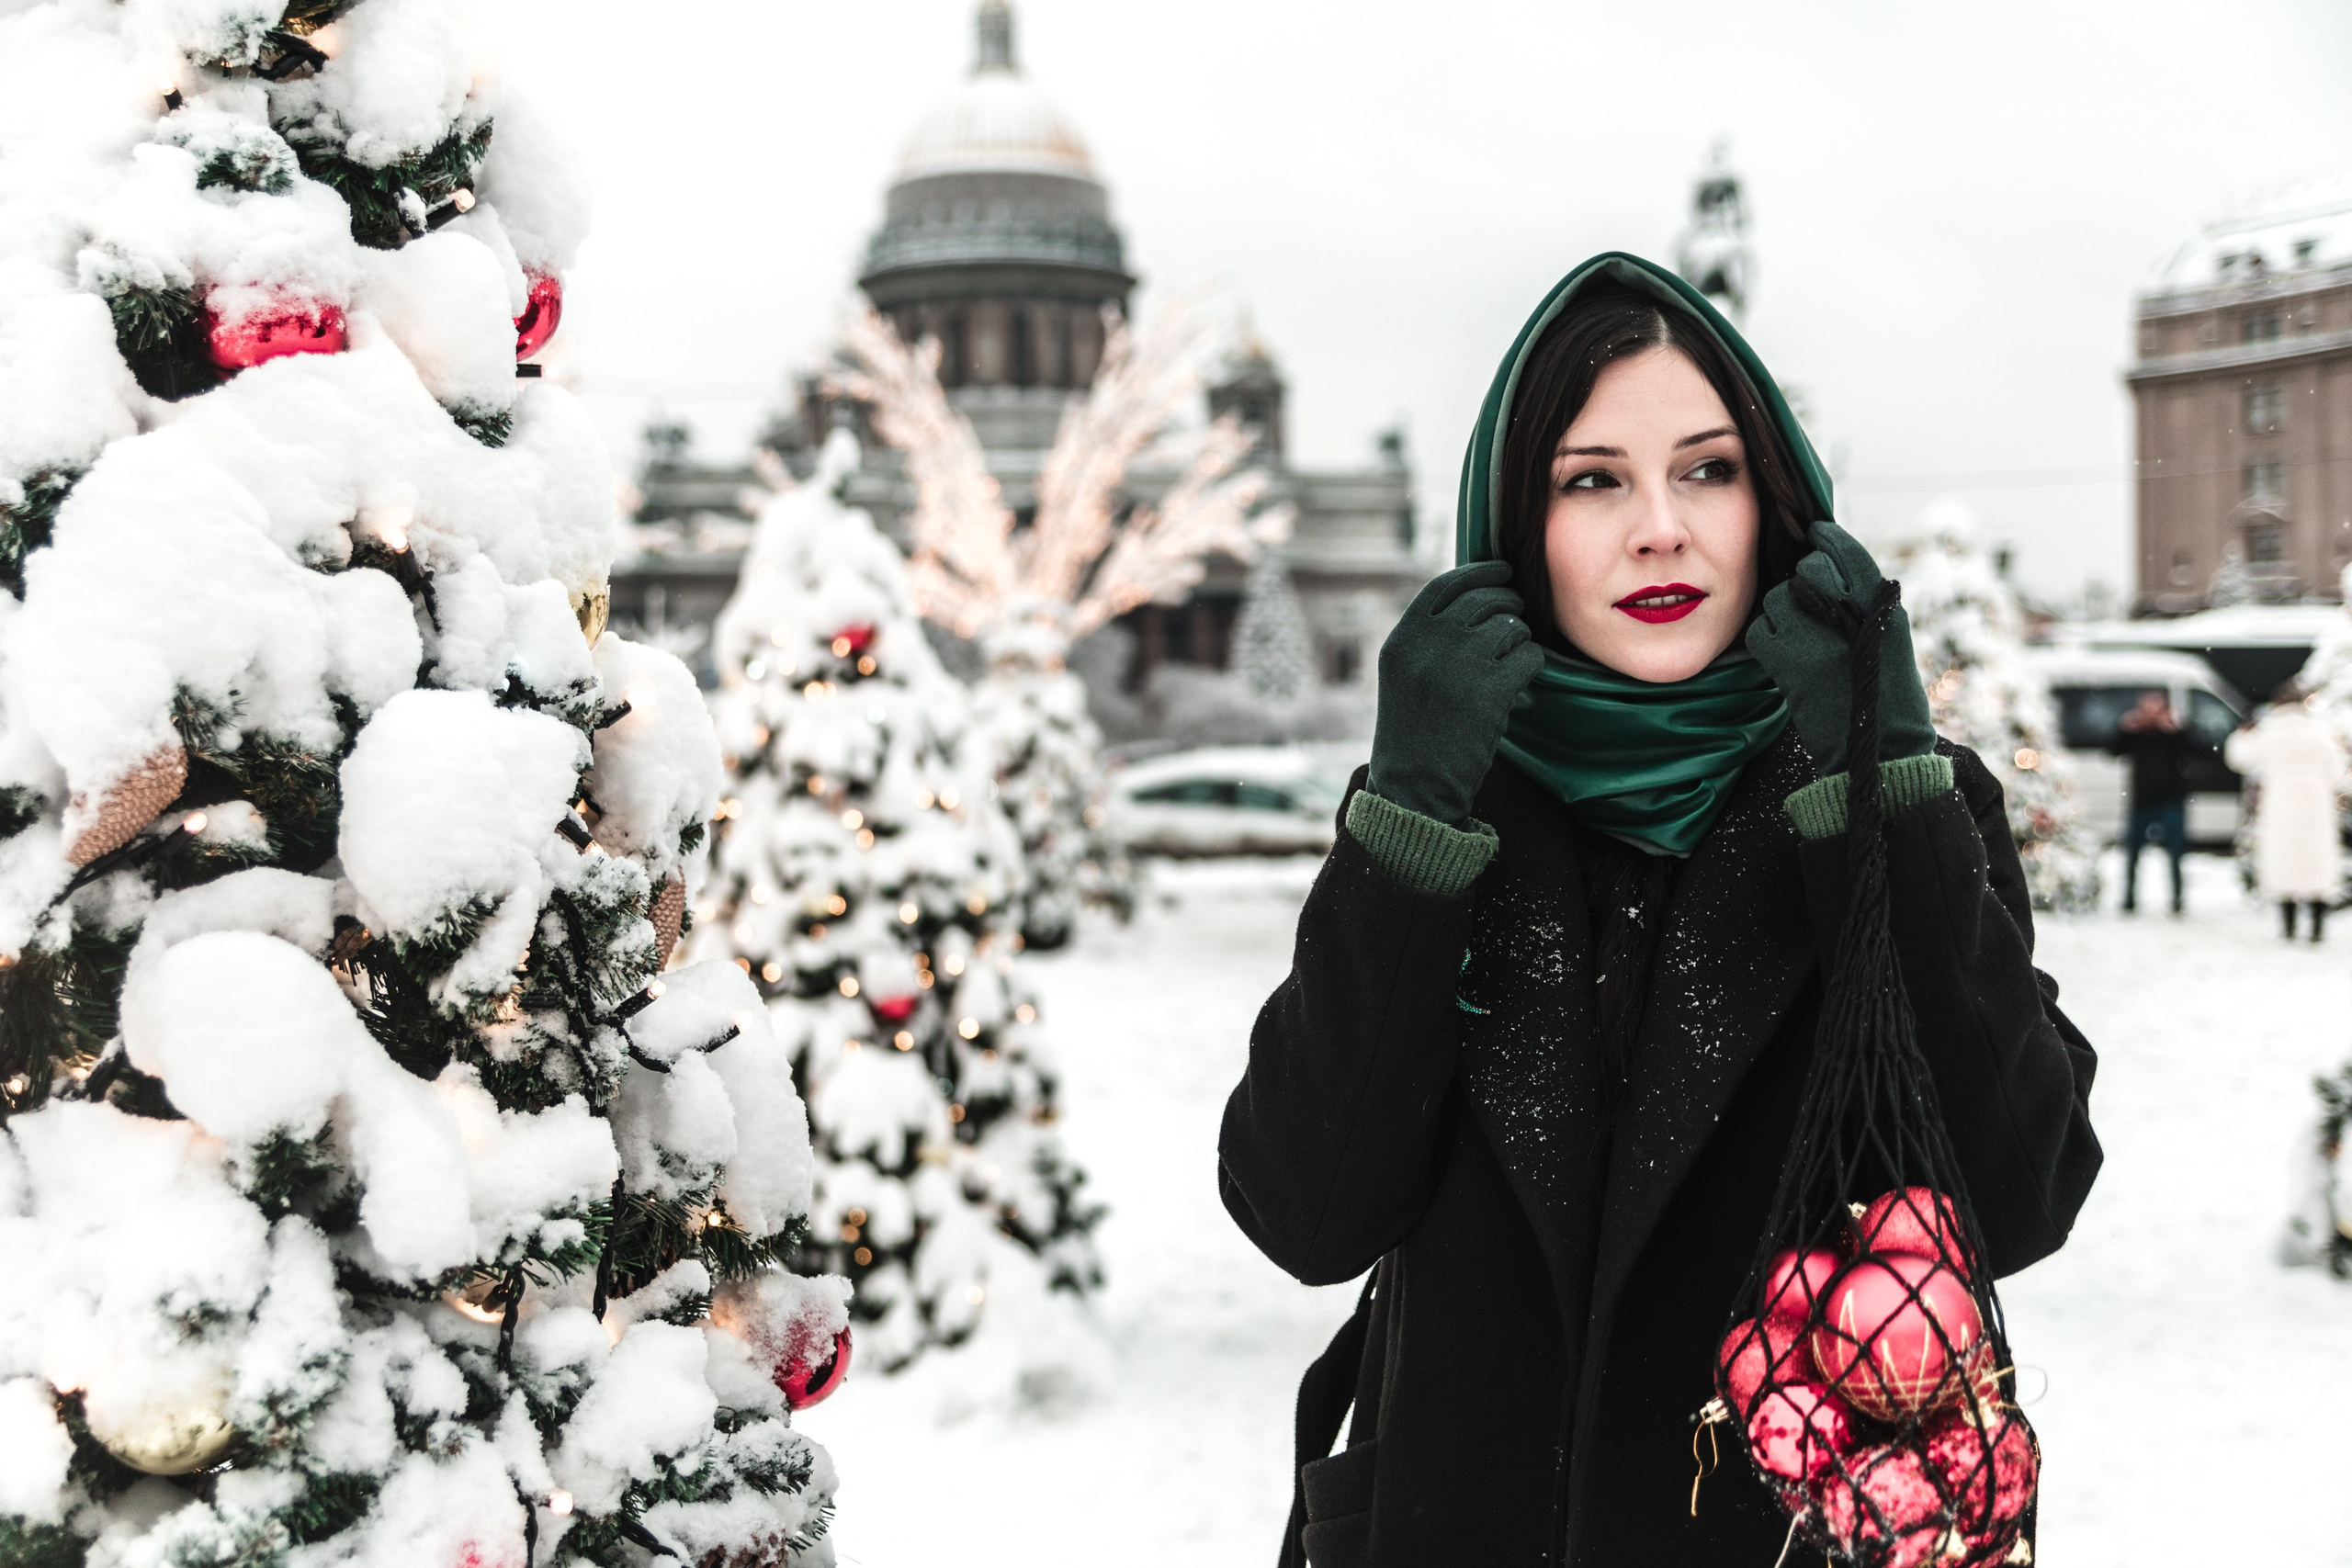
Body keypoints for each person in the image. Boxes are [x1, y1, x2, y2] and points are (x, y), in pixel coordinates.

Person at [1217, 254, 2102, 1568]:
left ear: (1778, 505)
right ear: (1521, 524)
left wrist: (1878, 782)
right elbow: (1306, 1208)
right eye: (1592, 480)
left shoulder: (1903, 799)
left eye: (1707, 469)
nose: (1659, 529)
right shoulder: (1451, 814)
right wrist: (1407, 817)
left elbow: (2022, 1192)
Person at [2225, 690, 2346, 942]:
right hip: (2315, 806)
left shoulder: (2269, 732)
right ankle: (2316, 928)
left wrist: (2241, 734)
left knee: (2284, 863)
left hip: (2280, 804)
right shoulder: (2318, 731)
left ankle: (2288, 926)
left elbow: (2240, 758)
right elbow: (2336, 769)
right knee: (2316, 865)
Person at [2113, 690, 2193, 915]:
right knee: (2133, 854)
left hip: (2170, 801)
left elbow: (2193, 751)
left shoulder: (2174, 735)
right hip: (2141, 802)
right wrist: (2125, 729)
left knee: (2176, 854)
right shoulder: (2136, 735)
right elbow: (2114, 750)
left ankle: (2177, 899)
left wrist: (2175, 731)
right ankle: (2129, 898)